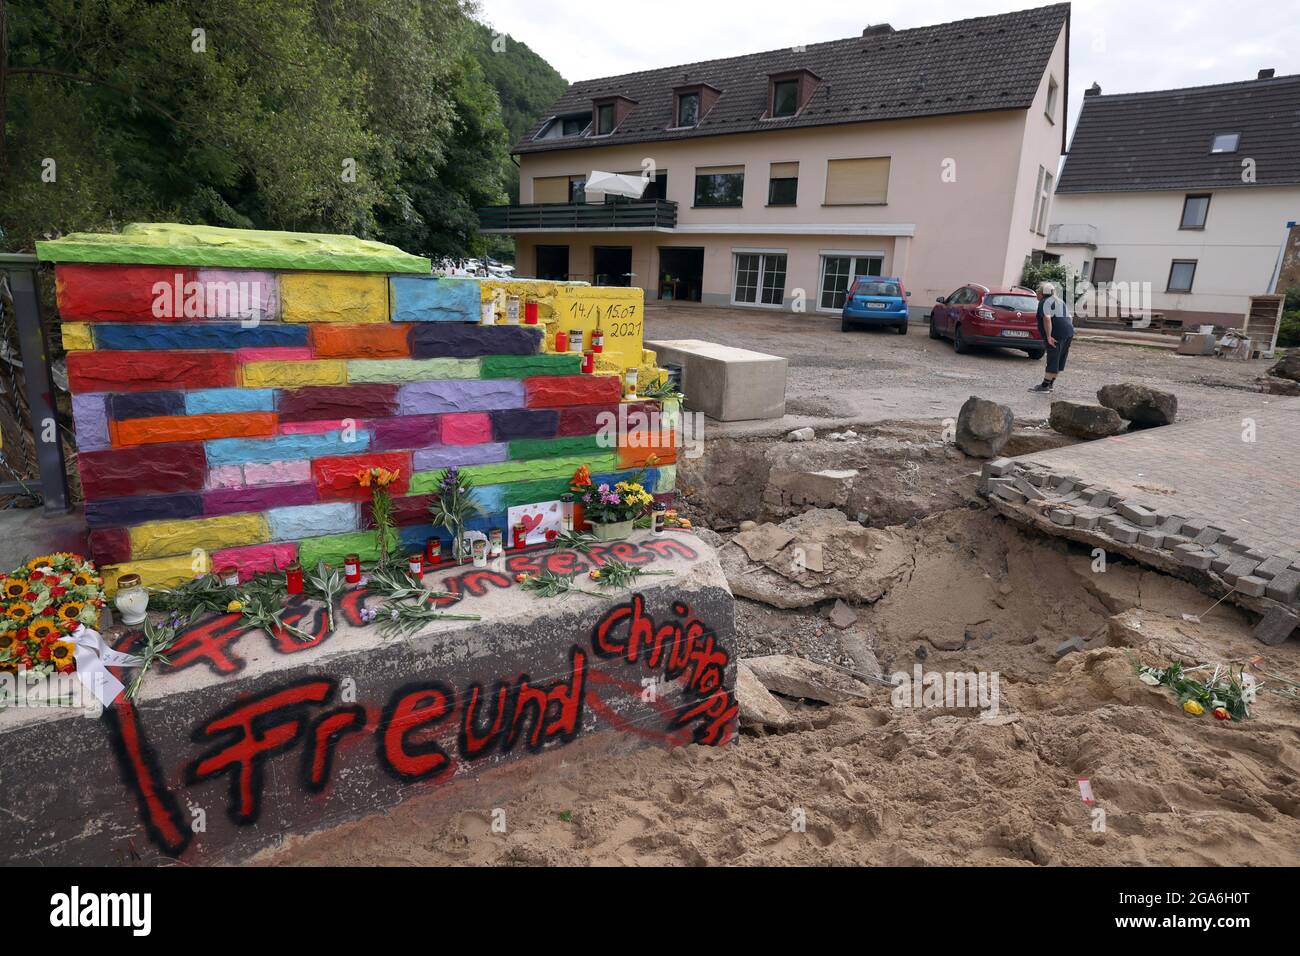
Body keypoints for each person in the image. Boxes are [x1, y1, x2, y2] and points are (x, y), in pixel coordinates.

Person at [1029, 281, 1075, 393]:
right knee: (1059, 359)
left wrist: (1049, 336)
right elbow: (1069, 316)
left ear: (1042, 293)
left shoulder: (1044, 302)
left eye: (1037, 292)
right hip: (1068, 332)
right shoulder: (1059, 301)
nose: (1036, 294)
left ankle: (1044, 386)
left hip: (1057, 334)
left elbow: (1047, 318)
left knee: (1053, 358)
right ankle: (1050, 385)